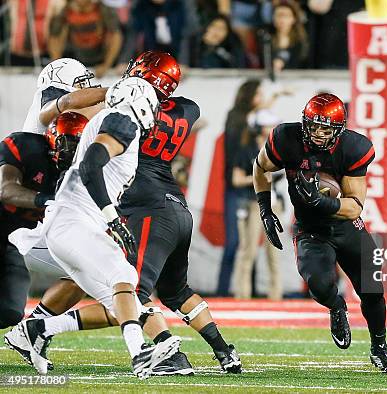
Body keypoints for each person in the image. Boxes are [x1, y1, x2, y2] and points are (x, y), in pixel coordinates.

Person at [21, 51, 242, 375]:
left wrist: (105, 95)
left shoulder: (118, 118)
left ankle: (41, 329)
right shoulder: (184, 109)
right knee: (154, 289)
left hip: (144, 208)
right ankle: (218, 352)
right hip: (173, 206)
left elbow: (73, 133)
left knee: (128, 289)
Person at [7, 77, 180, 378]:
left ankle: (35, 329)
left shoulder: (109, 117)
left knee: (126, 306)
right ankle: (140, 353)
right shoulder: (124, 121)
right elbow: (90, 165)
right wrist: (112, 216)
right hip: (75, 221)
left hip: (72, 222)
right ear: (143, 104)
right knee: (124, 277)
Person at [253, 93, 387, 373]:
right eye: (313, 126)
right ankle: (336, 306)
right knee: (319, 285)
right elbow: (260, 166)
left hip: (345, 225)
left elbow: (355, 207)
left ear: (339, 129)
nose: (319, 134)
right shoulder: (286, 138)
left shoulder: (354, 148)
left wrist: (323, 202)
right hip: (311, 228)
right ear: (304, 122)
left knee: (372, 289)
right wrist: (265, 208)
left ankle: (379, 347)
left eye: (326, 128)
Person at [0, 112, 86, 330]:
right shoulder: (25, 146)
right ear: (52, 137)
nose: (70, 150)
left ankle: (30, 330)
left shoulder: (83, 171)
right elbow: (6, 190)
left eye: (78, 144)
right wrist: (47, 200)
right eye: (66, 142)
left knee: (9, 313)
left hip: (19, 242)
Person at [217, 79, 265, 296]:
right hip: (236, 188)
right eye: (259, 94)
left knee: (250, 246)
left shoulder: (251, 121)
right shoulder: (236, 118)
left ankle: (248, 291)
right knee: (234, 242)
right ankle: (222, 290)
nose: (262, 100)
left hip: (250, 191)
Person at [233, 110, 282, 300]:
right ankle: (242, 296)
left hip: (274, 204)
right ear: (260, 128)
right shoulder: (246, 149)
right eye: (270, 125)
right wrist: (258, 178)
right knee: (249, 251)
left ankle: (276, 297)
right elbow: (236, 180)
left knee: (274, 252)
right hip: (253, 204)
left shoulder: (277, 151)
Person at [22, 57, 106, 136]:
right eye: (81, 83)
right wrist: (111, 93)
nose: (85, 88)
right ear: (64, 82)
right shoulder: (51, 92)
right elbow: (66, 102)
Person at [47, 0, 123, 77]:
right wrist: (57, 65)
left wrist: (106, 65)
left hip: (99, 57)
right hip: (75, 56)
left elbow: (116, 36)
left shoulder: (103, 9)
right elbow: (54, 37)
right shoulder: (66, 11)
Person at [268, 0, 308, 72]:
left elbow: (301, 64)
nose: (282, 20)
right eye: (279, 15)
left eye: (286, 16)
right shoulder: (266, 38)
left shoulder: (300, 41)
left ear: (294, 19)